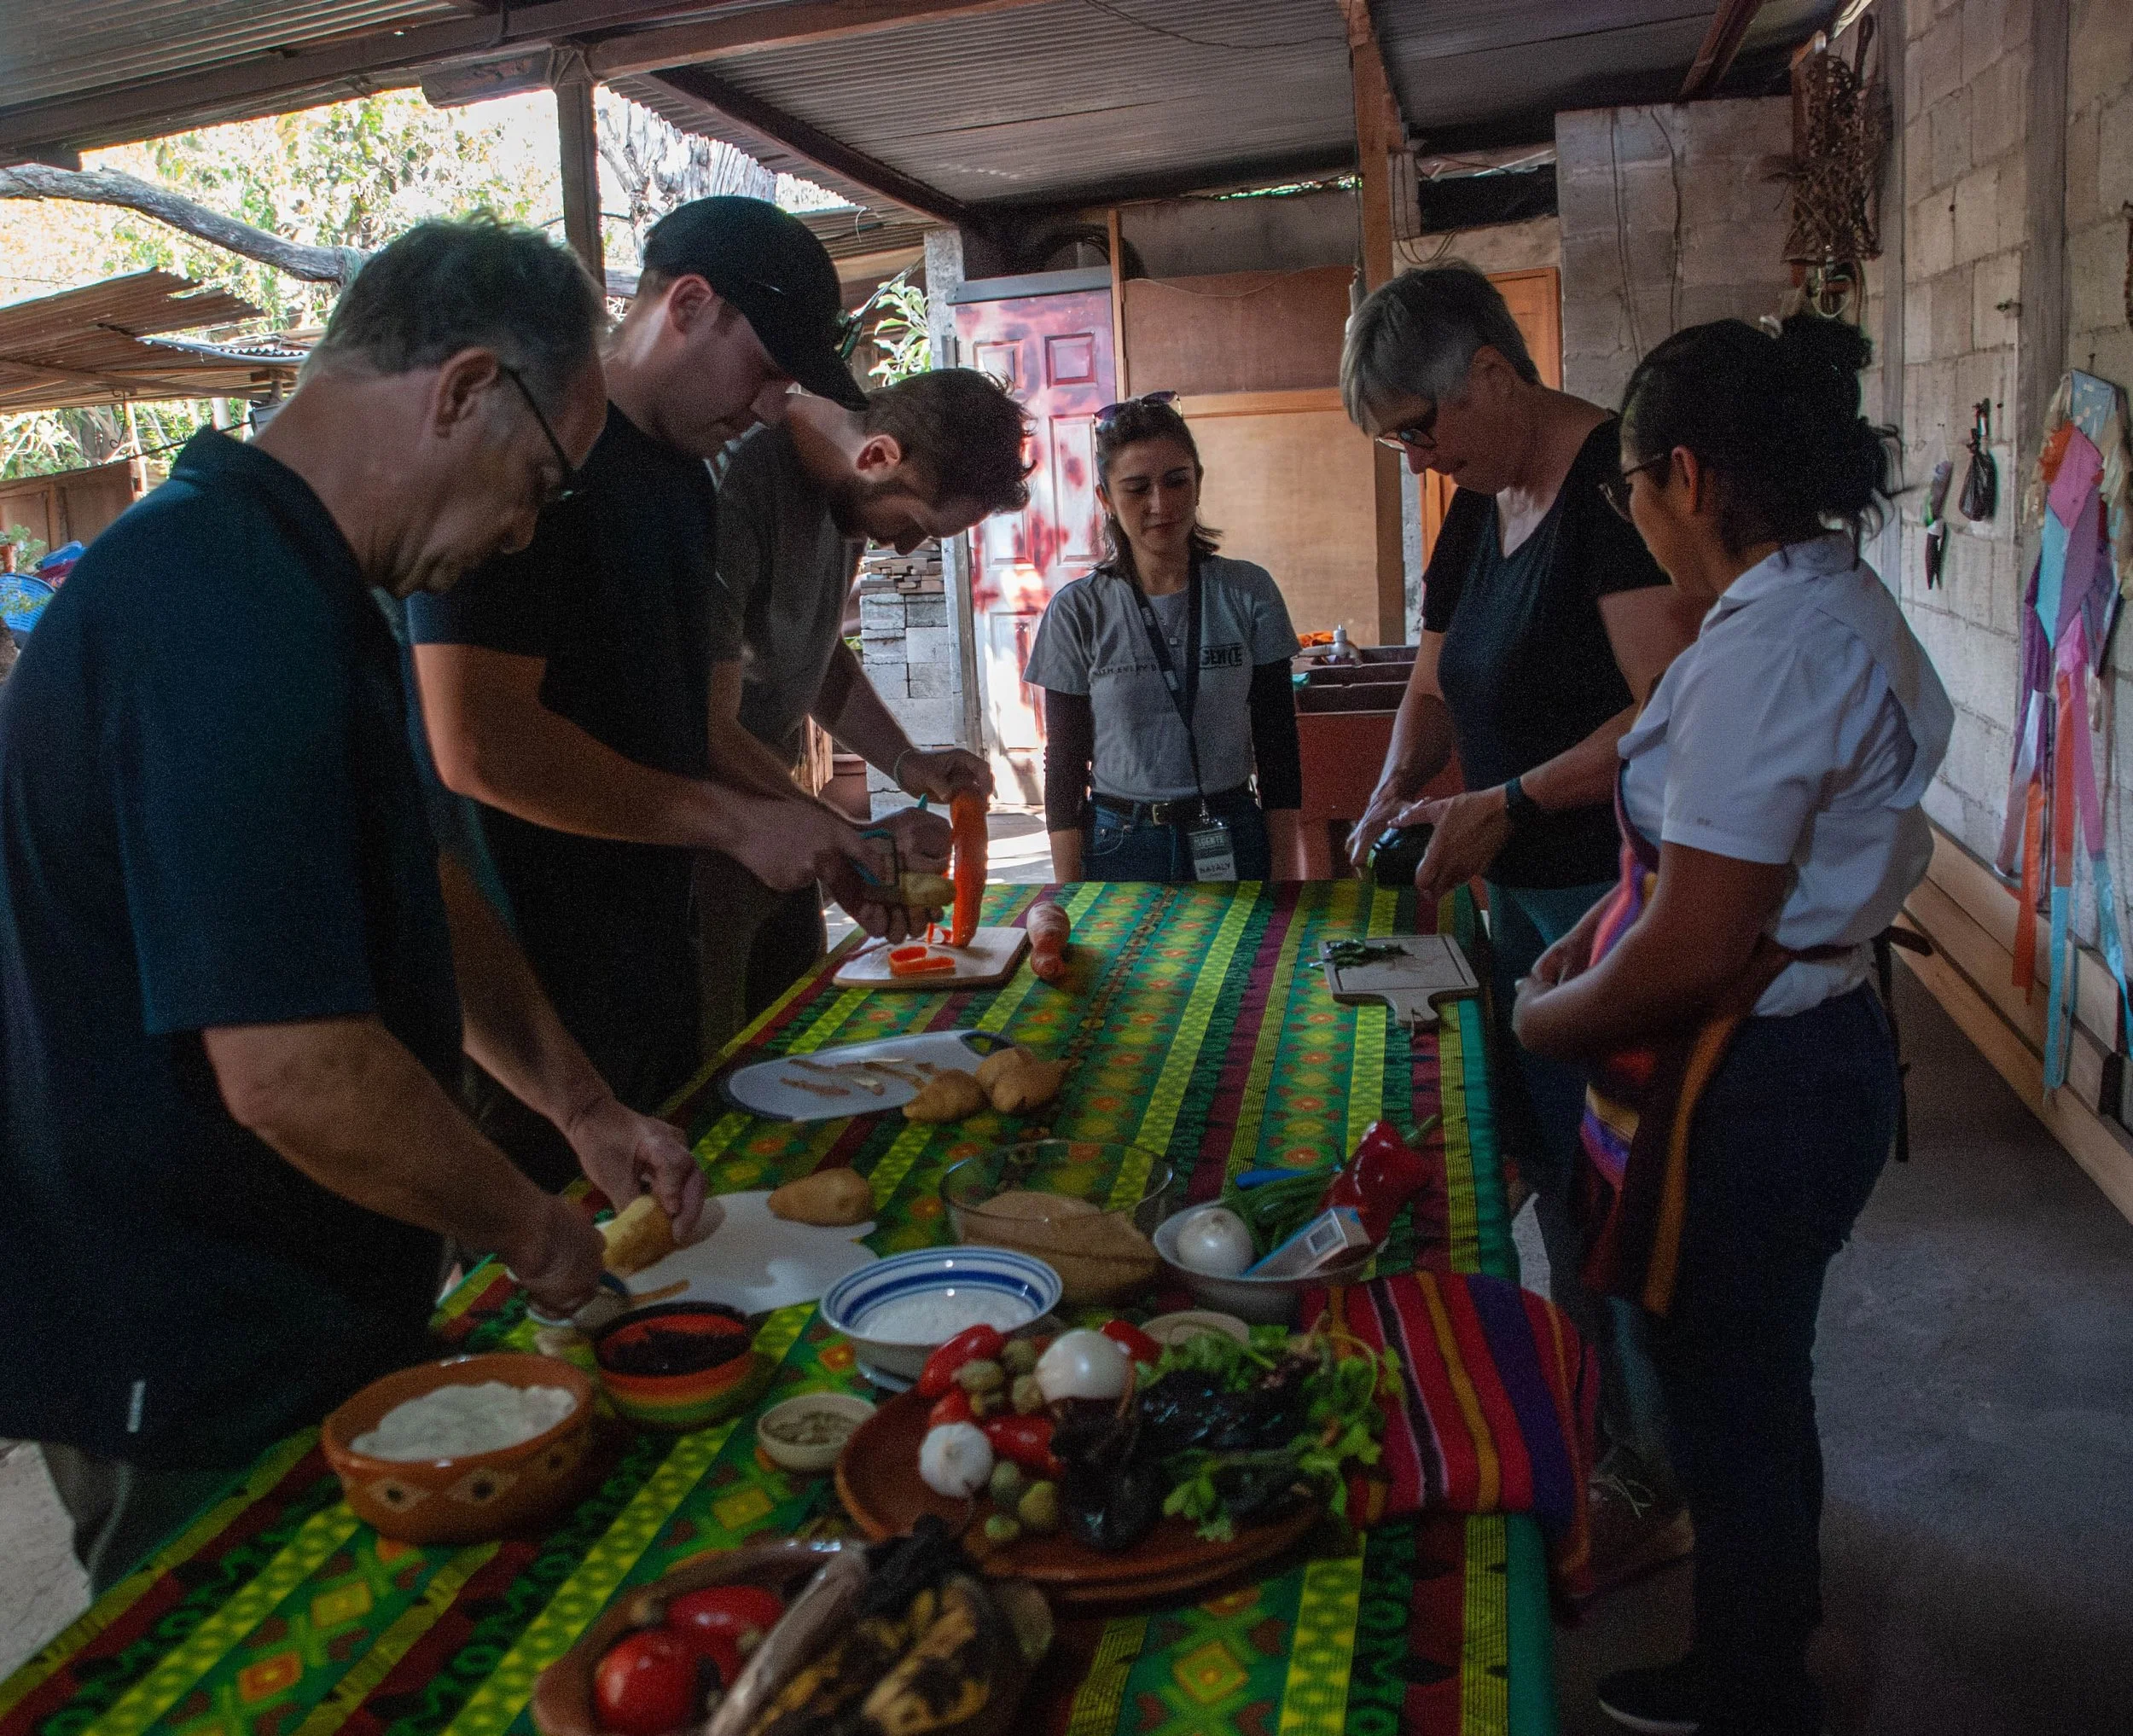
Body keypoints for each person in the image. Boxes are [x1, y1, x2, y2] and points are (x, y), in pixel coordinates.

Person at [0, 220, 705, 1593]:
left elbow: (421, 884)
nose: (518, 536)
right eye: (538, 485)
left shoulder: (303, 581)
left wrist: (580, 1105)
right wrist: (526, 1222)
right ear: (464, 390)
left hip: (298, 1298)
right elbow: (289, 1067)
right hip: (189, 1327)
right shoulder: (212, 604)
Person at [1513, 315, 1950, 1736]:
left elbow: (1698, 945)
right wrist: (1600, 924)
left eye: (1632, 484)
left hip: (1760, 1074)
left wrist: (1548, 1019)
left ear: (1687, 477)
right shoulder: (1821, 606)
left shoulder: (1774, 652)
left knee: (1732, 1390)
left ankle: (1754, 1680)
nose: (1631, 515)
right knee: (1754, 1375)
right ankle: (1771, 1633)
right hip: (1806, 1042)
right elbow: (1678, 845)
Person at [410, 197, 948, 1175]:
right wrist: (733, 825)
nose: (771, 405)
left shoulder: (685, 487)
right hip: (528, 998)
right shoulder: (532, 460)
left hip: (648, 959)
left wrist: (827, 834)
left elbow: (692, 726)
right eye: (766, 367)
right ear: (689, 304)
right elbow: (477, 742)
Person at [1340, 264, 1702, 1584]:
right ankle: (1600, 1422)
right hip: (1511, 896)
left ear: (1492, 371)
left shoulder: (1616, 496)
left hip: (1613, 901)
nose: (1418, 455)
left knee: (1622, 1187)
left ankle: (1661, 1475)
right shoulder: (1482, 505)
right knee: (1550, 1171)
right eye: (1397, 440)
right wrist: (1398, 781)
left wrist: (1513, 795)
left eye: (1420, 426)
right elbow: (1440, 671)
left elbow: (1670, 710)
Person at [698, 368, 1031, 1044]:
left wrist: (909, 763)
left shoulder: (843, 501)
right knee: (721, 1056)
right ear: (879, 455)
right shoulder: (742, 483)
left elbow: (817, 656)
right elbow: (706, 726)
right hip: (711, 823)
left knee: (797, 1027)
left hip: (782, 809)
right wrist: (842, 835)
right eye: (912, 523)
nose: (906, 546)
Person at [1026, 392, 1302, 883]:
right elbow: (1064, 763)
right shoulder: (1078, 611)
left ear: (1199, 482)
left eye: (1177, 481)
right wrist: (1068, 894)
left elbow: (1278, 745)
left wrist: (1285, 873)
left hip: (1232, 830)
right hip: (1121, 842)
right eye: (1137, 488)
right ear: (1106, 499)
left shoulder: (1248, 591)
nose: (1161, 504)